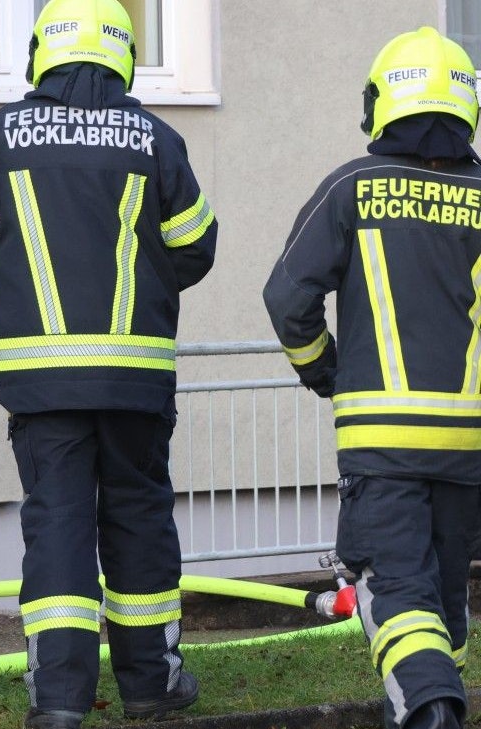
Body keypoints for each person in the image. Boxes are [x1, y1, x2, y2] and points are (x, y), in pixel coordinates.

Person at [0, 1, 215, 727]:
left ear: (39, 54)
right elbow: (197, 245)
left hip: (42, 381)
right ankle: (150, 685)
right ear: (122, 54)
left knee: (57, 528)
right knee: (139, 522)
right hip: (135, 381)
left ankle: (58, 700)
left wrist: (8, 283)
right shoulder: (155, 138)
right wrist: (145, 286)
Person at [262, 26, 481, 729]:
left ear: (382, 104)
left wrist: (322, 369)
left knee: (393, 591)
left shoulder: (354, 186)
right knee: (444, 603)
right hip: (468, 445)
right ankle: (427, 694)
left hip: (381, 443)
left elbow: (287, 296)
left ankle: (431, 710)